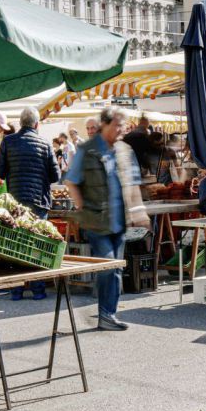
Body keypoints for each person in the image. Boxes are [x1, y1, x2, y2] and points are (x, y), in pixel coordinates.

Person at [65, 107, 149, 330]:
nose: (121, 129)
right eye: (117, 125)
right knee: (108, 266)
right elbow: (71, 180)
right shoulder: (87, 149)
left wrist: (138, 211)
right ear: (105, 124)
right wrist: (82, 206)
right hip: (96, 220)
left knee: (117, 268)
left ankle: (108, 314)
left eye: (123, 125)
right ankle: (105, 314)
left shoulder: (125, 150)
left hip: (119, 220)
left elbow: (132, 183)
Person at [0, 108, 61, 300]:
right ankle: (38, 290)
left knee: (15, 245)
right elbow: (55, 175)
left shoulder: (8, 141)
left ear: (21, 122)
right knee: (37, 245)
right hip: (38, 201)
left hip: (15, 202)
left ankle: (16, 291)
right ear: (36, 124)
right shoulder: (45, 143)